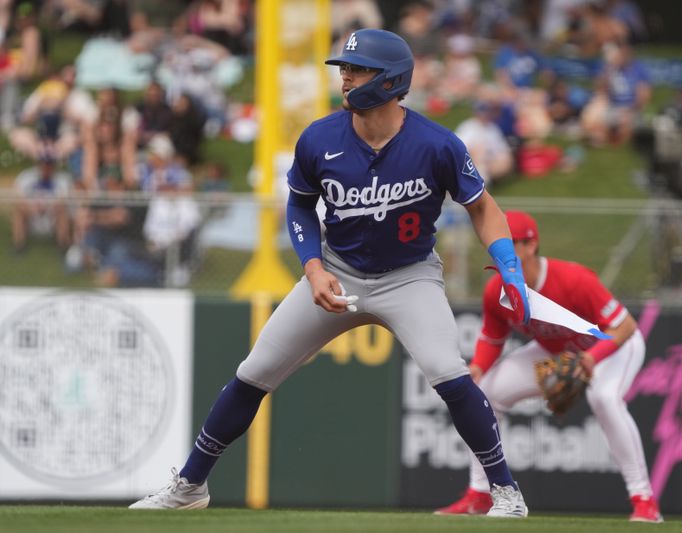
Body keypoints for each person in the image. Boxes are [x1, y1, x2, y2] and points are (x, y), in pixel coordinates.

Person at [128, 28, 531, 517]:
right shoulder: (320, 138)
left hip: (409, 276)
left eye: (357, 69)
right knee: (253, 372)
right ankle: (190, 486)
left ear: (390, 81)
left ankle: (506, 493)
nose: (345, 77)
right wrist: (314, 268)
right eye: (345, 67)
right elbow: (298, 208)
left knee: (449, 373)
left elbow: (482, 206)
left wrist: (508, 261)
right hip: (337, 272)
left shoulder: (437, 144)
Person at [435, 211, 664, 524]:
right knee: (485, 392)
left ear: (531, 245)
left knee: (604, 399)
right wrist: (477, 368)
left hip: (611, 348)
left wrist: (591, 360)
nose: (501, 251)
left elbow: (624, 326)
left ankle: (645, 501)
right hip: (557, 350)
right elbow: (492, 338)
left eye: (511, 243)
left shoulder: (573, 279)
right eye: (497, 244)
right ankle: (479, 494)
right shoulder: (496, 291)